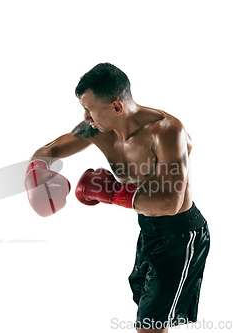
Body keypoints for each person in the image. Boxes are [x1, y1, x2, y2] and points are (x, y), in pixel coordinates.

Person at [24, 63, 210, 333]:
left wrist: (109, 193)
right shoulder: (96, 129)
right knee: (148, 317)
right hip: (148, 231)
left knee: (150, 325)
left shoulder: (167, 131)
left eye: (89, 109)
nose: (85, 116)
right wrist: (36, 170)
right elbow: (51, 149)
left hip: (180, 235)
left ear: (116, 107)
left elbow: (170, 203)